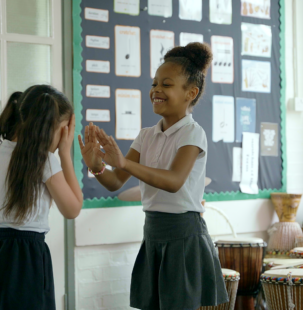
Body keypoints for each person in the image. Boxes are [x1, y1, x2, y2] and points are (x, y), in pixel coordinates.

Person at [78, 43, 228, 310]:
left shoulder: (193, 133)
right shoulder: (146, 135)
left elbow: (173, 181)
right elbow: (114, 181)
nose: (156, 89)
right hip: (153, 234)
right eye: (154, 83)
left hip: (184, 237)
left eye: (166, 84)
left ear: (190, 93)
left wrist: (123, 161)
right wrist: (96, 165)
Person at [0, 85, 83, 310]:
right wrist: (64, 153)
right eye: (64, 129)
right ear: (52, 126)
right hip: (24, 259)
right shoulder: (43, 160)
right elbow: (73, 208)